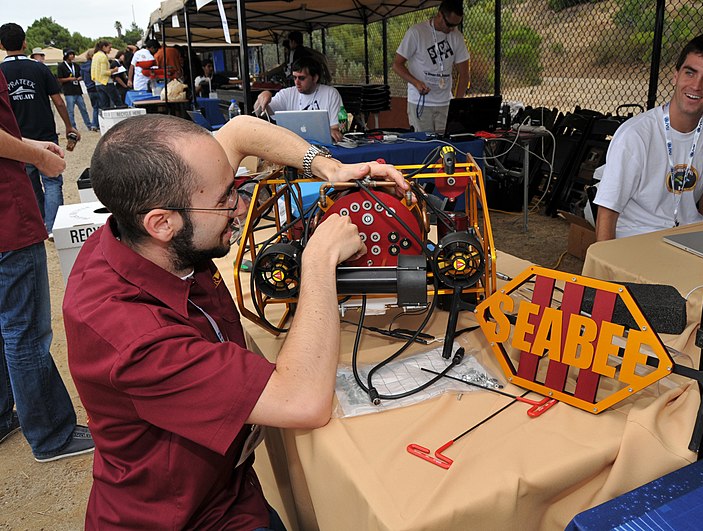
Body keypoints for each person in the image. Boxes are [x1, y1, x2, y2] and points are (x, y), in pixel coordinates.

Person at [63, 113, 408, 528]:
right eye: (227, 198)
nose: (241, 208)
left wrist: (329, 166)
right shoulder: (134, 338)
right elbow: (302, 401)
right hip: (188, 517)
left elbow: (240, 130)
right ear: (162, 224)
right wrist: (319, 261)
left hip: (229, 485)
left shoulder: (144, 225)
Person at [0, 66, 95, 462]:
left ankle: (5, 413)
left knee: (7, 326)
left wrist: (31, 143)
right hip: (6, 217)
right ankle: (52, 433)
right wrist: (37, 155)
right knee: (24, 331)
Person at [592, 33, 703, 241]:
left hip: (685, 236)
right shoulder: (635, 135)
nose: (696, 86)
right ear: (675, 75)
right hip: (635, 237)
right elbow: (607, 212)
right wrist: (606, 267)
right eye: (690, 73)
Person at [0, 22, 80, 235]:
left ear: (1, 45)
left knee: (30, 183)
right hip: (44, 134)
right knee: (52, 181)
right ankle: (54, 227)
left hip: (17, 139)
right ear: (25, 43)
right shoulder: (39, 68)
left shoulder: (1, 71)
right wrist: (69, 126)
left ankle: (44, 222)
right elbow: (59, 101)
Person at [392, 0, 470, 133]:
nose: (452, 29)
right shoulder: (416, 32)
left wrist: (457, 104)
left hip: (445, 103)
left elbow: (464, 74)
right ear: (439, 15)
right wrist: (416, 83)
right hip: (421, 102)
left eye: (457, 25)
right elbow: (397, 65)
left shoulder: (456, 36)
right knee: (425, 146)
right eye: (450, 24)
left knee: (447, 146)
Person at [254, 56, 345, 142]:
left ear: (315, 78)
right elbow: (258, 111)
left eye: (301, 78)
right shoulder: (287, 94)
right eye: (294, 77)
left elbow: (335, 128)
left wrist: (331, 132)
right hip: (292, 146)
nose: (296, 82)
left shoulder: (331, 94)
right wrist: (263, 96)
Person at [57, 49, 92, 131]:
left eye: (73, 54)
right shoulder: (61, 66)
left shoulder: (76, 66)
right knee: (70, 111)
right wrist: (69, 79)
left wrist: (79, 78)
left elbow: (80, 75)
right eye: (70, 54)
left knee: (83, 109)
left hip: (77, 90)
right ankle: (73, 127)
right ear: (66, 55)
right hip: (68, 91)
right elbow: (59, 79)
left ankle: (89, 125)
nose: (72, 56)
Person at [91, 40, 122, 110]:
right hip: (106, 82)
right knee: (118, 102)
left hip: (98, 82)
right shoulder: (103, 56)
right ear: (104, 47)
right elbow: (104, 72)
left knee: (104, 105)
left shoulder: (95, 55)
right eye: (109, 48)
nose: (110, 50)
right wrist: (114, 70)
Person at [80, 49, 100, 131]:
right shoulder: (94, 65)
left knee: (95, 107)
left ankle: (94, 124)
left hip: (89, 88)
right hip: (96, 86)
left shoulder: (83, 66)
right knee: (100, 106)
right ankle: (96, 123)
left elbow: (82, 77)